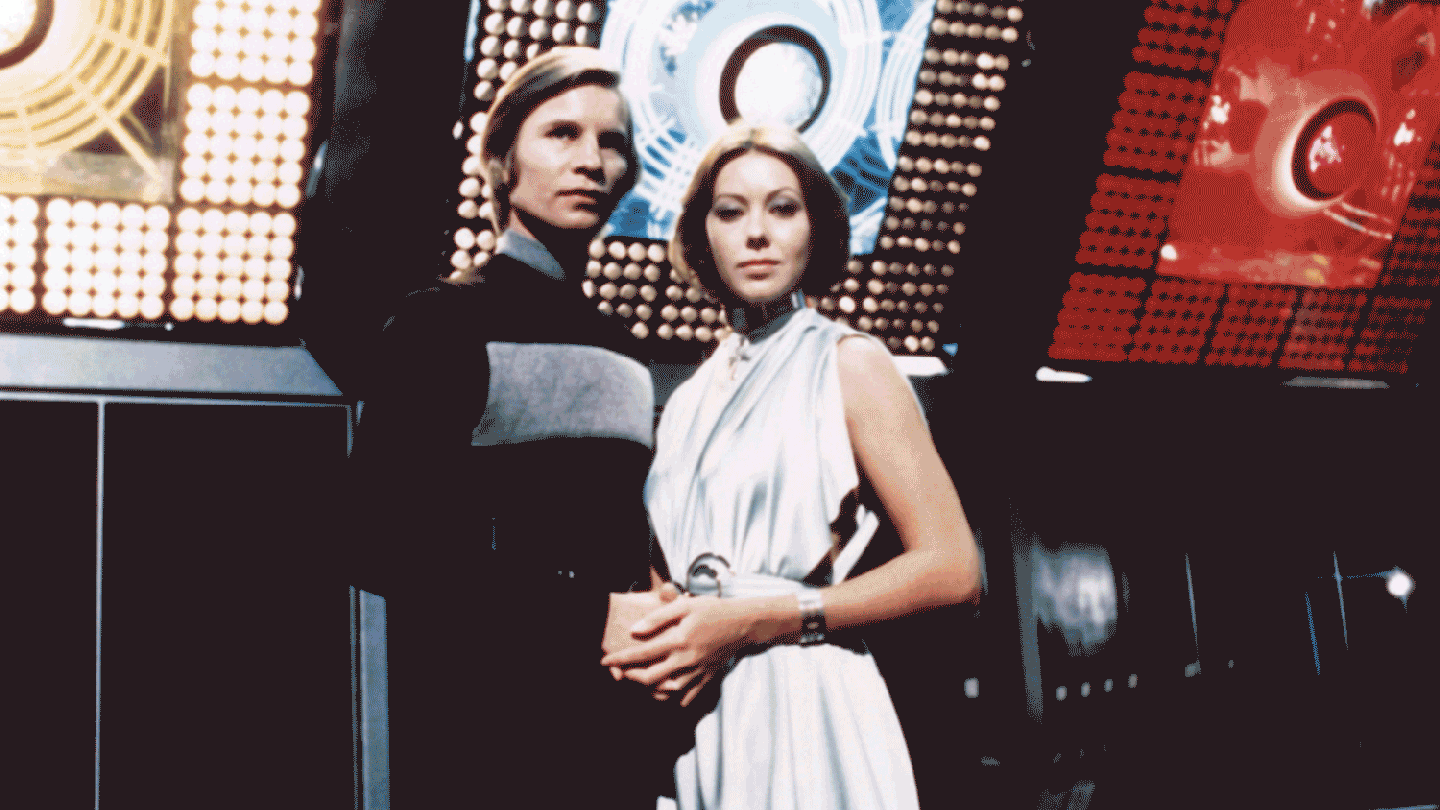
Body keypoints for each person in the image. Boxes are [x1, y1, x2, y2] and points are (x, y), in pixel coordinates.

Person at [600, 122, 984, 810]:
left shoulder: (850, 363)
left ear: (817, 230)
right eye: (730, 211)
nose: (756, 233)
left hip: (807, 695)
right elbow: (668, 577)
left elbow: (954, 570)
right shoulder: (685, 400)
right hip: (702, 713)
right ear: (702, 235)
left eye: (782, 208)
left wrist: (760, 619)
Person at [350, 47, 671, 807]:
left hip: (616, 742)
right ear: (502, 164)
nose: (590, 160)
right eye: (561, 133)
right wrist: (589, 616)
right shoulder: (440, 324)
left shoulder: (627, 352)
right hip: (485, 741)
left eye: (611, 142)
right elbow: (376, 539)